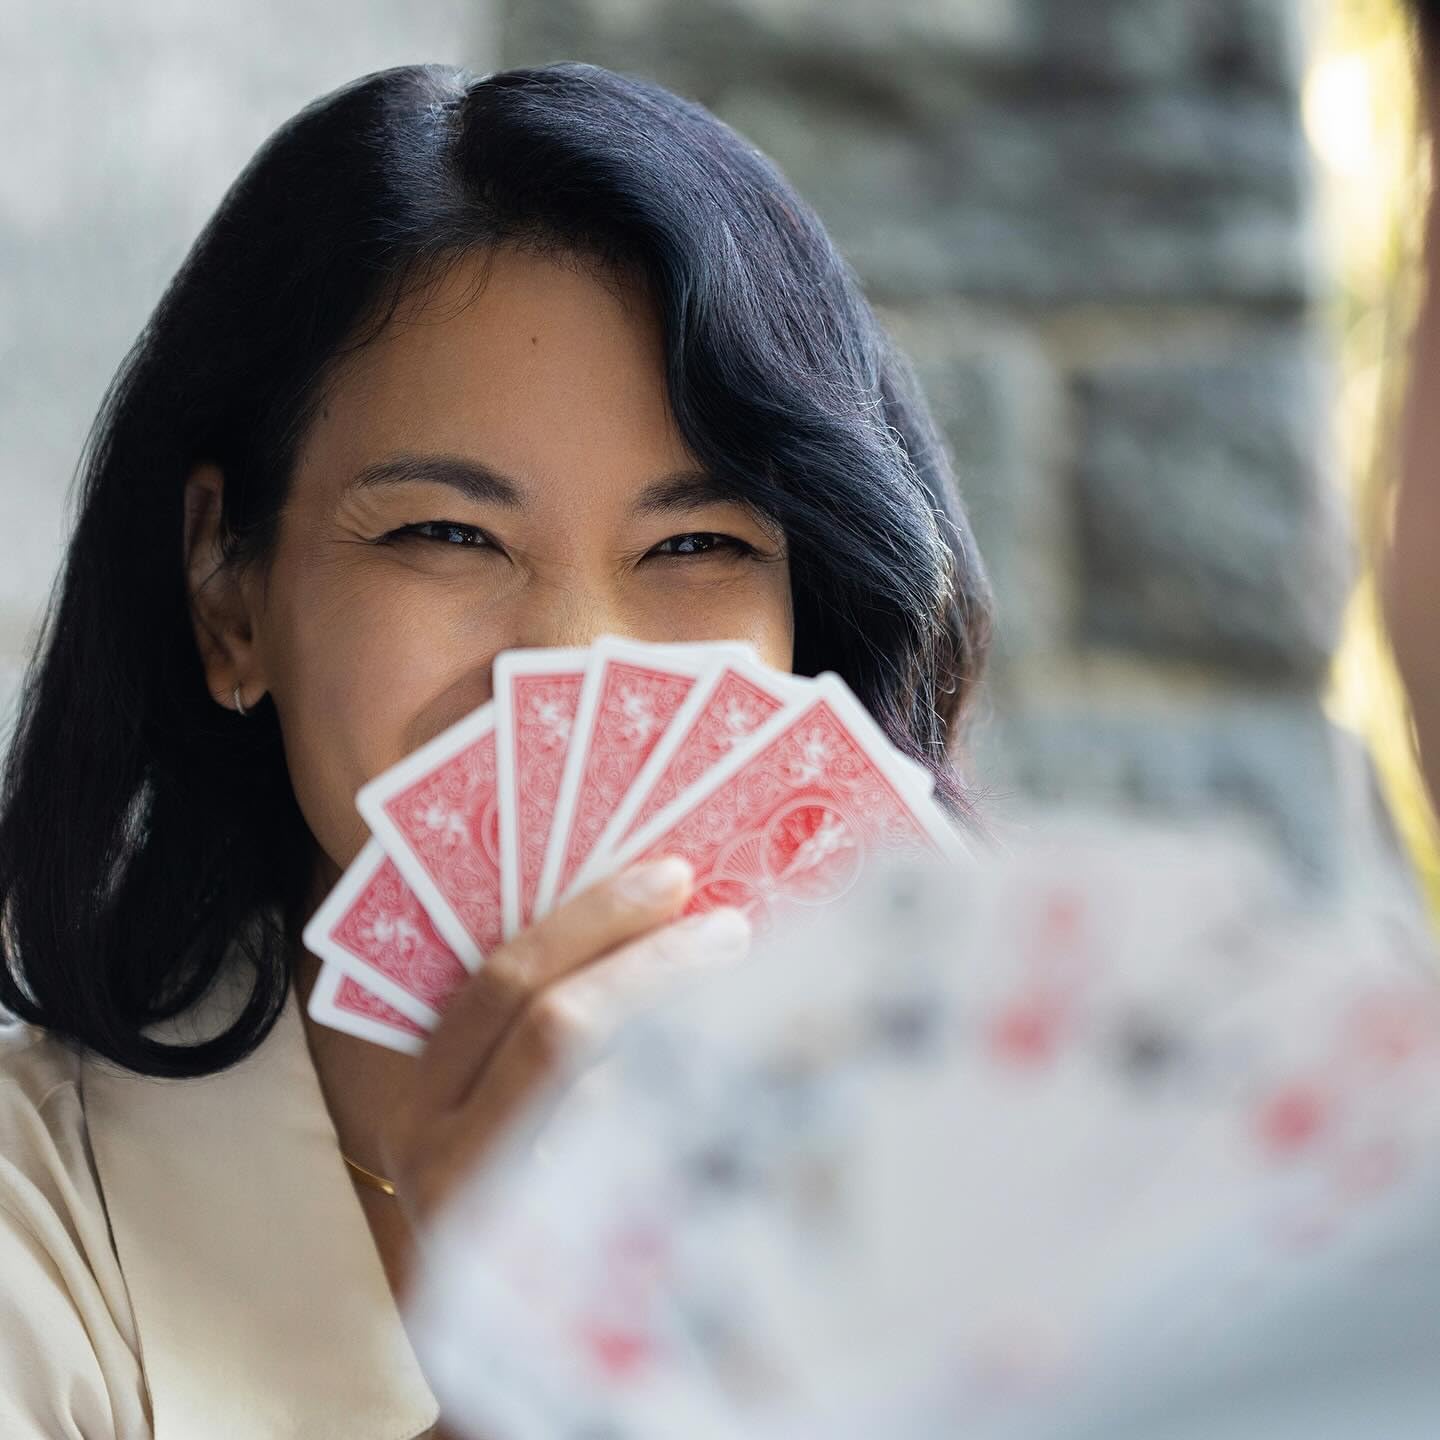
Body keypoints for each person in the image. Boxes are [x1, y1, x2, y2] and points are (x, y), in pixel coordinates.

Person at [0, 62, 991, 1438]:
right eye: (445, 535)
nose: (576, 667)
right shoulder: (30, 1240)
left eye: (696, 546)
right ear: (231, 595)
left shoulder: (988, 1187)